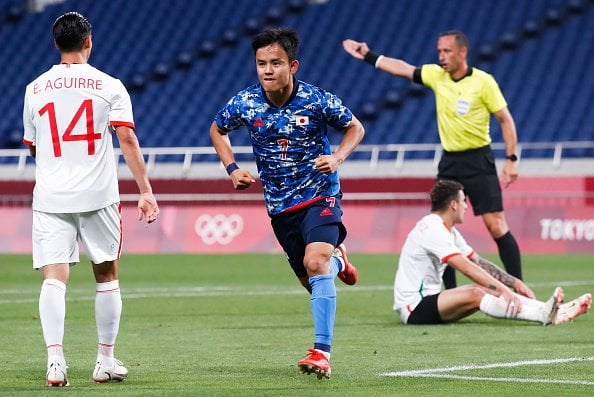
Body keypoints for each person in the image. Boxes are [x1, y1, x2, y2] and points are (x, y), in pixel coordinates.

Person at [210, 28, 364, 379]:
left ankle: (322, 353)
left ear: (292, 65)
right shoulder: (246, 103)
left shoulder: (316, 100)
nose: (267, 70)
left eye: (275, 63)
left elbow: (355, 127)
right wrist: (232, 168)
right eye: (261, 63)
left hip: (319, 194)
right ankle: (338, 263)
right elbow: (217, 129)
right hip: (280, 207)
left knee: (314, 260)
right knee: (313, 278)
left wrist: (337, 157)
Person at [22, 12, 159, 387]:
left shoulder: (34, 89)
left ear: (56, 44)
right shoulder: (109, 85)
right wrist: (145, 190)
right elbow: (127, 139)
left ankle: (55, 362)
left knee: (54, 278)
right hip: (99, 195)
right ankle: (104, 361)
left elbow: (34, 147)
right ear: (88, 42)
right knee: (106, 275)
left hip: (51, 196)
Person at [343, 31, 523, 290]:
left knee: (496, 226)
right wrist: (369, 56)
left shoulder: (484, 82)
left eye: (446, 51)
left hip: (478, 159)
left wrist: (512, 159)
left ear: (462, 53)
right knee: (441, 228)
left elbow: (505, 119)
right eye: (439, 52)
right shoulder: (437, 76)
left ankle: (520, 289)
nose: (441, 57)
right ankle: (448, 294)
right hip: (450, 162)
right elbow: (403, 69)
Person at [392, 179, 591, 326]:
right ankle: (541, 315)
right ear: (453, 205)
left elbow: (478, 262)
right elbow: (467, 268)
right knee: (475, 292)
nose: (466, 206)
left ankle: (554, 311)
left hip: (429, 301)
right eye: (463, 201)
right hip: (413, 308)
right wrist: (502, 290)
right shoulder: (432, 228)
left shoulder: (449, 231)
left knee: (485, 289)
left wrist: (514, 283)